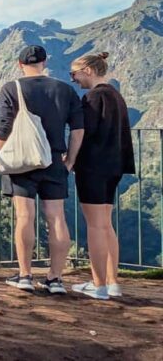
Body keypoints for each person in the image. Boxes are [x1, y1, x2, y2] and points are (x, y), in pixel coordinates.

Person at [0, 45, 84, 294]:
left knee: (25, 217)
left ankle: (25, 275)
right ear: (45, 62)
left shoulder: (11, 88)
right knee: (56, 217)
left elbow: (3, 131)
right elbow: (78, 130)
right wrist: (70, 161)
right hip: (54, 161)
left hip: (22, 162)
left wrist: (6, 157)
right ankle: (55, 279)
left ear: (19, 63)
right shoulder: (64, 90)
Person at [69, 52, 135, 300]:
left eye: (73, 73)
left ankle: (98, 286)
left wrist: (70, 160)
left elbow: (82, 133)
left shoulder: (93, 98)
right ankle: (112, 281)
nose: (74, 79)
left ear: (87, 70)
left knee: (95, 226)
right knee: (106, 224)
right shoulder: (115, 95)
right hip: (115, 166)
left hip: (93, 167)